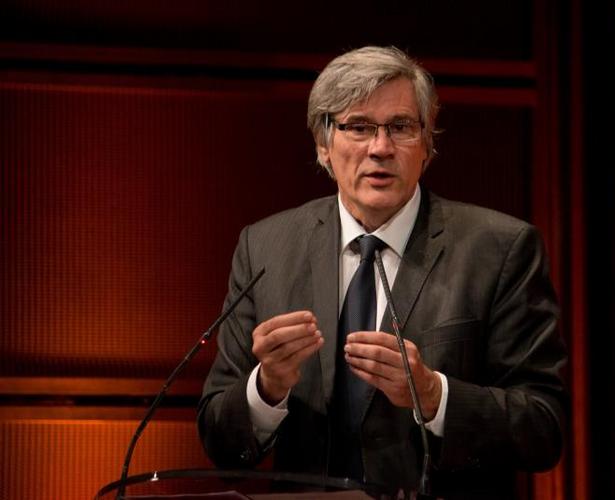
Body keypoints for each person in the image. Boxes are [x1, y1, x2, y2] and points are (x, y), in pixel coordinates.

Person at [198, 45, 567, 499]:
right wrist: (267, 388)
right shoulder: (265, 248)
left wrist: (433, 395)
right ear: (323, 144)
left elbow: (543, 428)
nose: (380, 148)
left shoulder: (499, 248)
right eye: (358, 127)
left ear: (427, 144)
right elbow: (220, 442)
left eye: (401, 127)